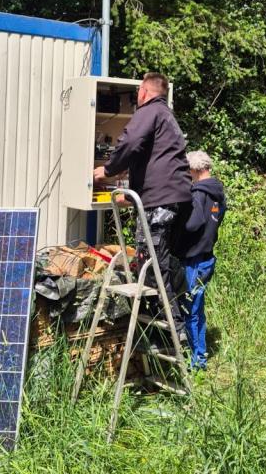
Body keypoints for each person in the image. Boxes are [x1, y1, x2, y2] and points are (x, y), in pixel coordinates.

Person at [93, 72, 191, 339]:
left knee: (152, 267)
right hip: (175, 199)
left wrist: (108, 170)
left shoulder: (149, 111)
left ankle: (174, 334)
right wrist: (133, 192)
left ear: (144, 92)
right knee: (161, 264)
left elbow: (131, 142)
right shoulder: (166, 115)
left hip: (159, 202)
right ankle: (168, 333)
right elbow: (157, 161)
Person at [179, 150, 226, 370]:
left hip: (194, 260)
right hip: (207, 257)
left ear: (194, 170)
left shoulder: (198, 193)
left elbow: (192, 224)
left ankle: (197, 361)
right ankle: (199, 355)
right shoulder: (218, 191)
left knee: (190, 310)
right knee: (197, 308)